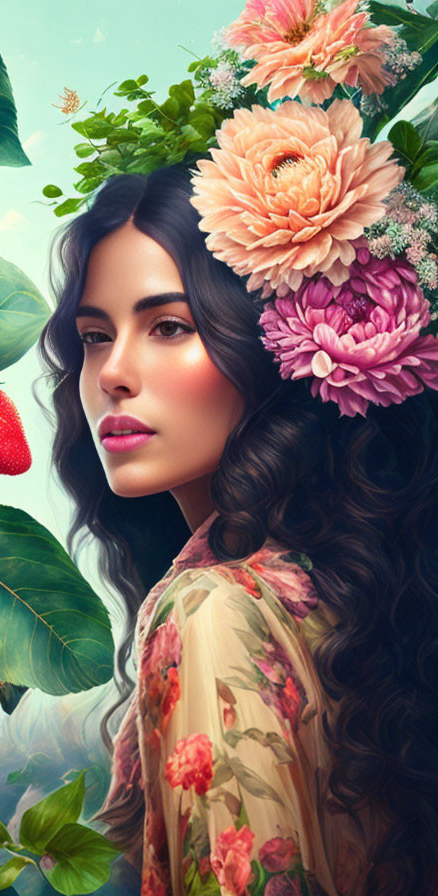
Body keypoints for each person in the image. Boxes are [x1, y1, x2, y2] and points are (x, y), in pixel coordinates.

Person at [37, 163, 438, 896]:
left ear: (271, 351)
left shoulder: (212, 612)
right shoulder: (337, 595)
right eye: (95, 336)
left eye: (168, 327)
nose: (113, 374)